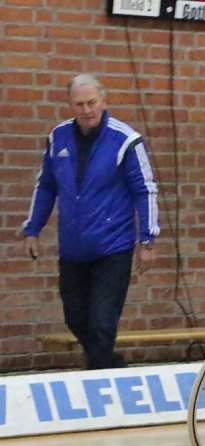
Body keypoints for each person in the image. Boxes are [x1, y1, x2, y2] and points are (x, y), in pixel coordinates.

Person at [22, 73, 160, 370]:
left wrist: (147, 240)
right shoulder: (57, 137)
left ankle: (100, 375)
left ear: (103, 101)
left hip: (113, 247)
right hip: (72, 249)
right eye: (79, 104)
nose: (86, 110)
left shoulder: (126, 140)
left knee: (101, 321)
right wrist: (32, 229)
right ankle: (110, 365)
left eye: (91, 103)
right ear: (70, 105)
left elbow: (144, 189)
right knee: (75, 316)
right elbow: (46, 185)